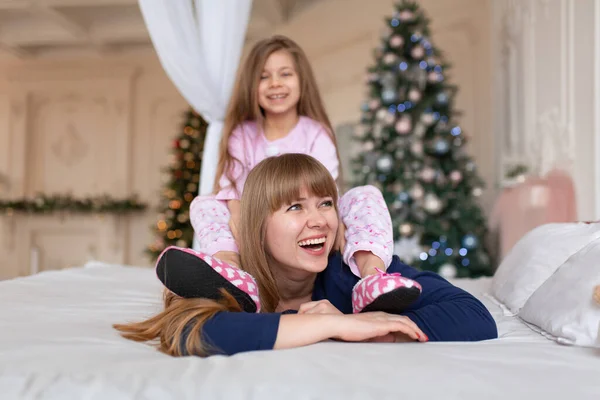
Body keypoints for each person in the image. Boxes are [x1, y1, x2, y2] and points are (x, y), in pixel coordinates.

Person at [115, 154, 498, 357]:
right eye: (295, 208)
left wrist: (370, 334)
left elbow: (475, 317)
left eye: (326, 203)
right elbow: (189, 331)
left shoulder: (350, 269)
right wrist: (332, 326)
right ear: (257, 228)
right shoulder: (226, 277)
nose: (319, 221)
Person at [166, 34, 419, 314]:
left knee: (365, 195)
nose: (275, 83)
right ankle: (230, 273)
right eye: (264, 76)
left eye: (285, 74)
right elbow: (234, 194)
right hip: (257, 224)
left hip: (308, 223)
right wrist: (241, 232)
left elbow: (327, 192)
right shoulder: (242, 134)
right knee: (205, 203)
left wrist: (337, 225)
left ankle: (372, 278)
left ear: (302, 81)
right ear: (252, 86)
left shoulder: (315, 132)